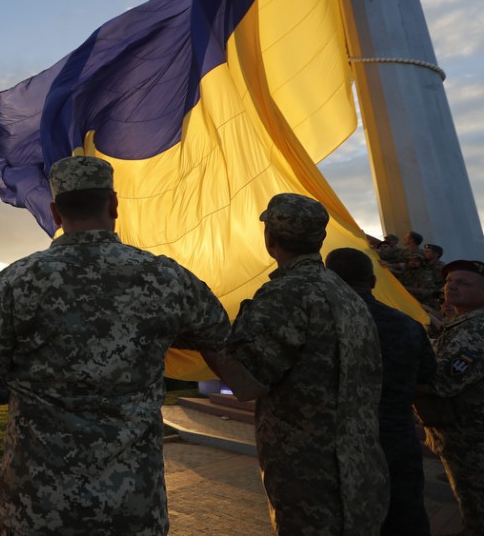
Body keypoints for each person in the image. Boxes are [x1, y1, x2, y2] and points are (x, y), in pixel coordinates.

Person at [0, 156, 230, 535]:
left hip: (38, 510)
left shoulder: (20, 282)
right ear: (113, 204)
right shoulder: (165, 278)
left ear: (55, 213)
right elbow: (218, 334)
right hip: (133, 510)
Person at [203, 193, 389, 535]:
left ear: (270, 239)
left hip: (310, 474)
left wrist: (204, 338)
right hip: (357, 467)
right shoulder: (345, 293)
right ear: (319, 238)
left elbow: (246, 382)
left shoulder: (287, 294)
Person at [325, 247, 436, 536]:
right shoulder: (408, 325)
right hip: (395, 438)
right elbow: (425, 381)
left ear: (328, 279)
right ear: (374, 282)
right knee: (405, 515)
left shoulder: (318, 323)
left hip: (334, 442)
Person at [422, 259, 484, 535]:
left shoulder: (475, 330)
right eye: (449, 282)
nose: (451, 287)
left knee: (476, 510)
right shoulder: (461, 324)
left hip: (472, 439)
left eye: (463, 283)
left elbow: (443, 382)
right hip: (462, 435)